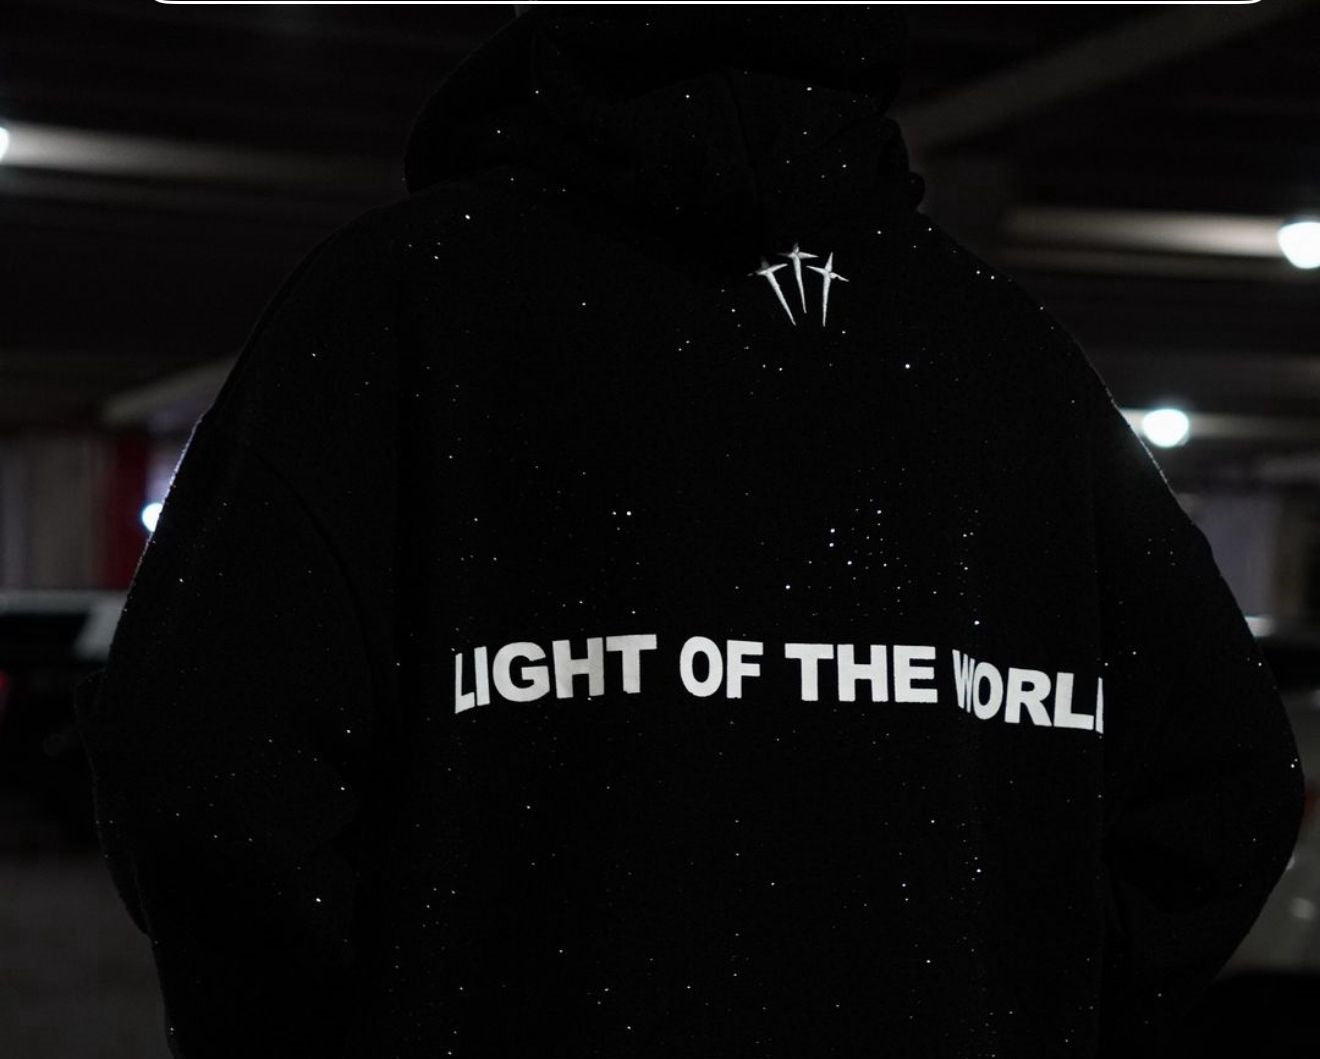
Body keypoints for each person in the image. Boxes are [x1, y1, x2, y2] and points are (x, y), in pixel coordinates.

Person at [73, 6, 1304, 1057]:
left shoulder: (399, 308)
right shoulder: (1011, 359)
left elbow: (204, 775)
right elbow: (1226, 780)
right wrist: (1013, 1003)